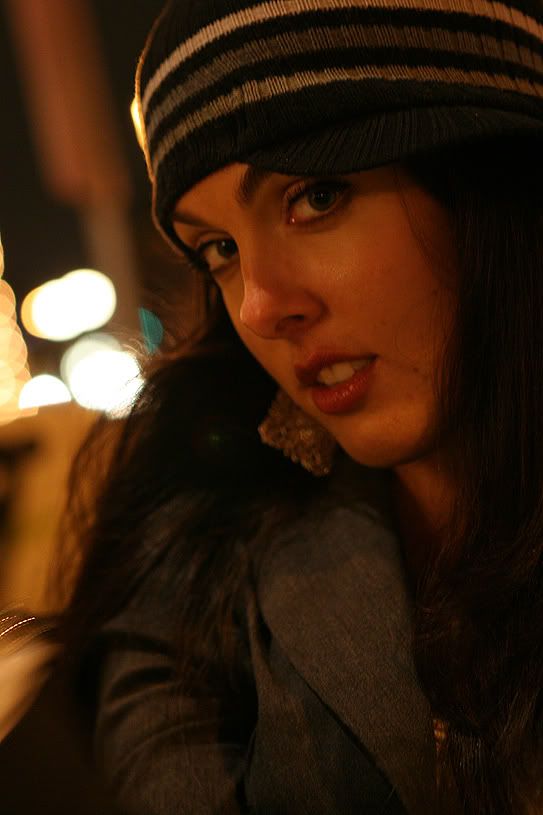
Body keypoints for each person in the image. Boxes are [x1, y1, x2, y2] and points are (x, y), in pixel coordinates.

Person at [57, 1, 543, 814]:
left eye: (315, 197)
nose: (257, 305)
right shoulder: (208, 542)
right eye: (219, 249)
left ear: (487, 178)